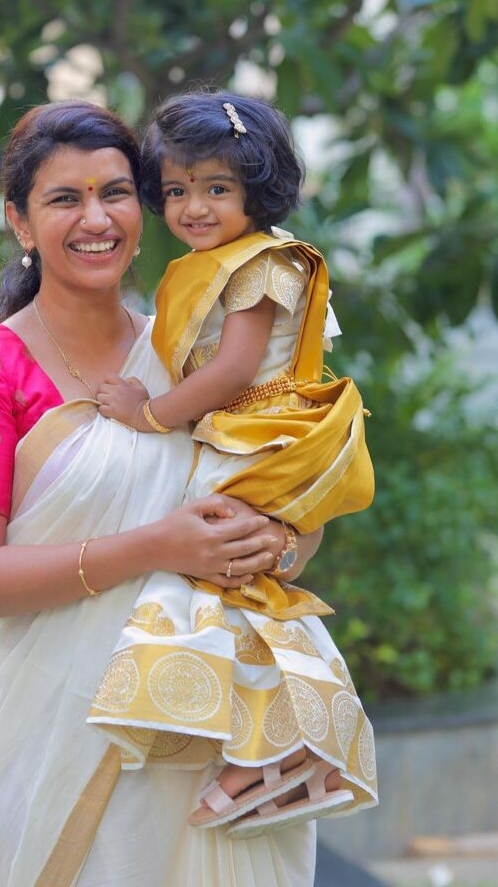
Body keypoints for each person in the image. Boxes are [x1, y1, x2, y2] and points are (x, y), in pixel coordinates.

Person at [0, 99, 328, 887]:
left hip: (211, 739)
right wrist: (154, 546)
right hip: (54, 743)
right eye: (62, 199)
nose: (95, 219)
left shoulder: (197, 357)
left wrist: (277, 542)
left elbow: (285, 500)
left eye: (113, 192)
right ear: (19, 221)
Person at [90, 90, 377, 837]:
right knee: (226, 586)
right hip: (235, 432)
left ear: (258, 184)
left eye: (216, 187)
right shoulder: (212, 262)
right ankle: (269, 745)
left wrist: (146, 414)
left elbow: (230, 373)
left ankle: (289, 749)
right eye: (178, 190)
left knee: (218, 572)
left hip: (258, 433)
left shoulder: (259, 266)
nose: (193, 207)